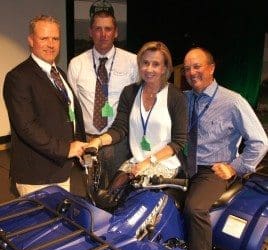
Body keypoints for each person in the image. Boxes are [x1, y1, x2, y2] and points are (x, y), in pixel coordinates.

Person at [182, 47, 268, 250]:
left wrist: (235, 167)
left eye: (197, 66)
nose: (191, 72)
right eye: (187, 68)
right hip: (184, 164)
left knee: (195, 208)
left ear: (211, 68)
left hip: (212, 170)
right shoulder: (184, 98)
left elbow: (260, 141)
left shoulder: (233, 102)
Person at [86, 41, 188, 206]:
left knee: (134, 202)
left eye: (156, 64)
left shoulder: (176, 97)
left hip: (164, 163)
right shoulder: (130, 92)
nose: (149, 69)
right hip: (137, 161)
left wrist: (148, 162)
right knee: (108, 199)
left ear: (164, 68)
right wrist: (97, 141)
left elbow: (178, 142)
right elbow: (120, 128)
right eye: (145, 63)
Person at [3, 15, 88, 196]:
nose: (50, 44)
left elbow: (68, 113)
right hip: (37, 176)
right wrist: (67, 149)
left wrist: (79, 145)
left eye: (55, 38)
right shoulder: (18, 77)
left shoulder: (59, 74)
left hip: (60, 168)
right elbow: (27, 127)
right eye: (44, 38)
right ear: (31, 41)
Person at [67, 5, 138, 189]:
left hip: (119, 141)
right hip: (89, 141)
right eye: (98, 29)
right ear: (90, 32)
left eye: (108, 29)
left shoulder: (133, 62)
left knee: (117, 190)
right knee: (91, 189)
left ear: (116, 33)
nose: (103, 34)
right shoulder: (77, 64)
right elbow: (72, 107)